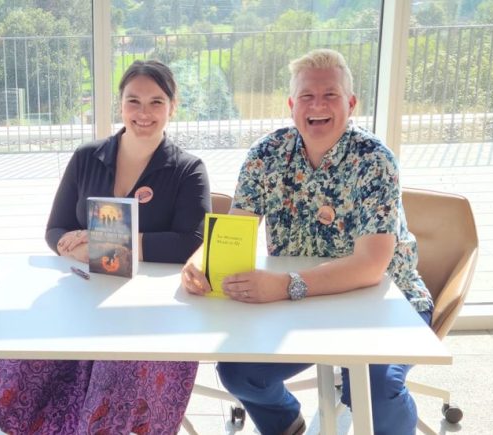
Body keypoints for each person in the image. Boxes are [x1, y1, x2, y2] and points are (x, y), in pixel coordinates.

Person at [179, 49, 435, 435]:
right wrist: (200, 261)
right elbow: (236, 228)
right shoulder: (266, 155)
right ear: (291, 105)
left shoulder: (375, 161)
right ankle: (286, 425)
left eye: (330, 95)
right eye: (306, 97)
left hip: (386, 300)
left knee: (375, 388)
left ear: (351, 103)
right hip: (296, 303)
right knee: (239, 373)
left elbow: (371, 265)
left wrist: (286, 285)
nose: (317, 106)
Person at [0, 60, 212, 434]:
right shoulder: (85, 157)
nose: (144, 113)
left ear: (173, 107)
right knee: (24, 345)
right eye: (133, 101)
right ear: (120, 105)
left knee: (116, 369)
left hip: (149, 313)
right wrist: (70, 245)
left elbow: (190, 241)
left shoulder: (188, 169)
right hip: (82, 294)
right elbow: (55, 228)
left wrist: (108, 244)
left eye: (156, 102)